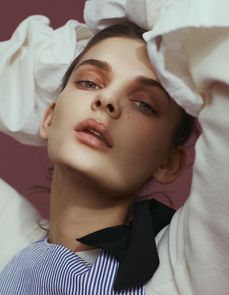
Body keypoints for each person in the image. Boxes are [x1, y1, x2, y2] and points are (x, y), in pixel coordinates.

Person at [0, 22, 194, 294]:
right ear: (49, 117)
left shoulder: (183, 268)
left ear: (169, 162)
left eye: (143, 104)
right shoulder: (9, 243)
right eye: (89, 82)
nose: (107, 98)